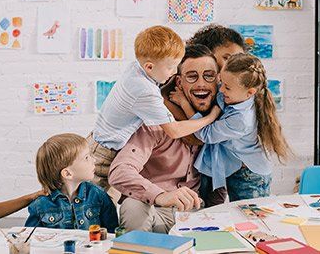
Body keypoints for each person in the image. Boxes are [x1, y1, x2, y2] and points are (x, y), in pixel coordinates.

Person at [90, 25, 219, 190]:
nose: (173, 73)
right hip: (103, 155)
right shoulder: (145, 90)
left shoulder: (137, 67)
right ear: (149, 67)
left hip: (103, 142)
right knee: (93, 206)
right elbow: (174, 131)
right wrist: (210, 118)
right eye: (171, 67)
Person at [108, 45, 219, 233]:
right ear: (178, 82)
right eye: (192, 76)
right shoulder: (156, 123)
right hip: (156, 210)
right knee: (133, 205)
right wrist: (160, 195)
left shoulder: (221, 126)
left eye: (209, 75)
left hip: (196, 214)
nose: (201, 83)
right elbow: (120, 171)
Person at [170, 53, 291, 201]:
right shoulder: (236, 94)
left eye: (226, 87)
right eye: (221, 81)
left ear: (250, 93)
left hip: (250, 175)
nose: (221, 90)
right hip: (236, 165)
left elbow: (205, 134)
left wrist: (184, 103)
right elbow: (220, 98)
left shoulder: (241, 120)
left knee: (248, 217)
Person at [25, 134, 118, 232]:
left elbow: (112, 233)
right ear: (67, 173)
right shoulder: (40, 205)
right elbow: (30, 239)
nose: (94, 160)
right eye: (86, 158)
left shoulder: (98, 196)